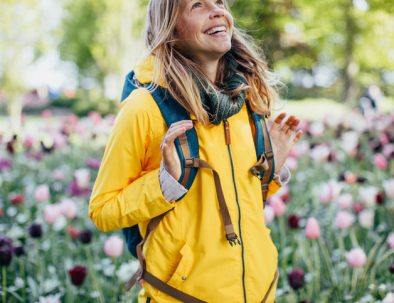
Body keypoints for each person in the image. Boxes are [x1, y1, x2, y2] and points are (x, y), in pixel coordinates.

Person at [88, 0, 303, 302]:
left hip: (260, 292)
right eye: (198, 5)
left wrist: (270, 169)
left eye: (219, 2)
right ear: (171, 29)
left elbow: (236, 203)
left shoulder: (246, 100)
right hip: (180, 295)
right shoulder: (145, 108)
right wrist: (164, 183)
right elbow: (102, 209)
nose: (217, 10)